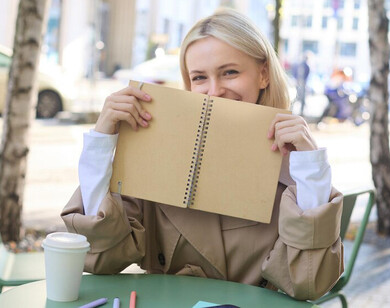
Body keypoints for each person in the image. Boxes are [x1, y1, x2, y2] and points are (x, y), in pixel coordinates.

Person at [61, 8, 343, 301]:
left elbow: (310, 282)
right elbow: (101, 256)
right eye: (199, 78)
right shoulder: (156, 154)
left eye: (230, 72)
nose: (214, 91)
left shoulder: (295, 165)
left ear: (263, 74)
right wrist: (101, 142)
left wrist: (311, 169)